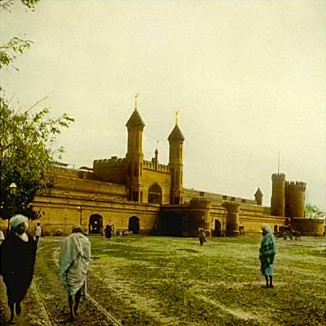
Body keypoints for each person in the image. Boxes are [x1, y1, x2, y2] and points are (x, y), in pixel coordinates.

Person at [0, 214, 37, 324]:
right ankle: (12, 314)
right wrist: (5, 271)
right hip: (12, 273)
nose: (22, 227)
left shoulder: (30, 239)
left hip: (25, 272)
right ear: (16, 227)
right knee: (11, 293)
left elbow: (33, 254)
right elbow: (3, 256)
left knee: (22, 291)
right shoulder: (10, 240)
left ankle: (18, 301)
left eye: (23, 225)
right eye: (19, 226)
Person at [59, 225, 91, 321]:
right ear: (81, 231)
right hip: (81, 269)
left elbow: (63, 255)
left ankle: (72, 312)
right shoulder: (86, 240)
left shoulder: (67, 240)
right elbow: (88, 256)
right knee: (79, 289)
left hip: (71, 268)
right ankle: (76, 307)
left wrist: (65, 265)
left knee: (71, 291)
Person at [259, 224, 276, 288]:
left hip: (267, 255)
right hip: (270, 254)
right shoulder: (269, 236)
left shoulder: (268, 237)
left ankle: (268, 283)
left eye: (263, 231)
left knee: (266, 268)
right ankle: (269, 283)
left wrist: (263, 253)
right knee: (269, 268)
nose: (262, 232)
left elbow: (266, 246)